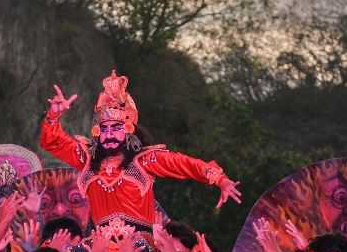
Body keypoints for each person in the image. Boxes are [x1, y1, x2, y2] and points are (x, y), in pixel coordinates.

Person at [40, 73, 240, 233]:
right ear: (97, 133)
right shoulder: (87, 159)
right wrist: (54, 114)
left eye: (116, 128)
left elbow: (184, 163)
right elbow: (53, 141)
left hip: (139, 246)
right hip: (98, 248)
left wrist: (219, 179)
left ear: (128, 130)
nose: (109, 134)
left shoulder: (143, 161)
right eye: (104, 129)